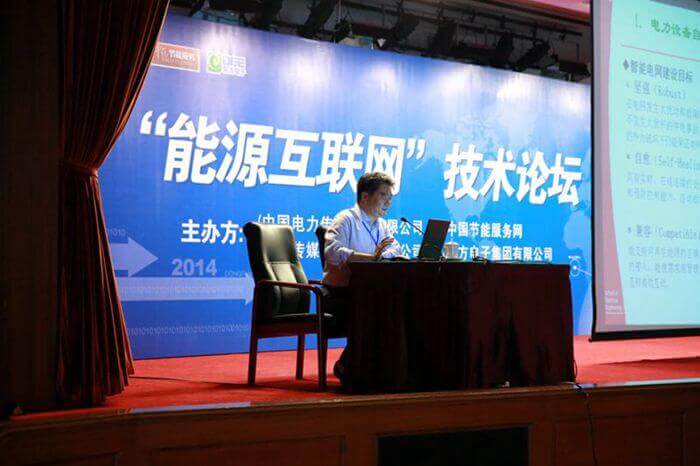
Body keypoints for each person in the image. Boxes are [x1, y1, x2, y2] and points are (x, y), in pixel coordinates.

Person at [322, 171, 404, 383]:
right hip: (340, 293)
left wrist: (383, 256)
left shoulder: (381, 224)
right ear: (365, 196)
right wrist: (367, 258)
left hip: (369, 292)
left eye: (390, 196)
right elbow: (332, 252)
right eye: (383, 195)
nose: (388, 201)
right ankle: (348, 365)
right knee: (381, 309)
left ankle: (379, 369)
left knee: (395, 305)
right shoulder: (346, 219)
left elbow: (394, 247)